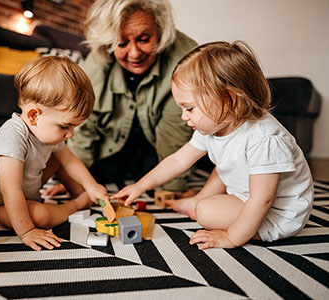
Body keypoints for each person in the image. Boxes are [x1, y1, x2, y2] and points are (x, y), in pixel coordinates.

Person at [112, 41, 314, 250]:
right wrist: (140, 186)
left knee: (205, 211)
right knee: (223, 166)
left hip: (278, 214)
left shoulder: (265, 139)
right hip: (248, 195)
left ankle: (205, 208)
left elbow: (262, 201)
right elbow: (178, 160)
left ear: (227, 100)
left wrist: (231, 237)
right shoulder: (215, 125)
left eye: (189, 108)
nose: (184, 117)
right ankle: (197, 200)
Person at [43, 0, 198, 198]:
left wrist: (174, 189)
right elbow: (83, 127)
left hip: (156, 144)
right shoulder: (95, 66)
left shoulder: (183, 58)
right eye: (122, 43)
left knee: (158, 175)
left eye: (144, 39)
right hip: (113, 144)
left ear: (160, 31)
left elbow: (174, 131)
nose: (134, 53)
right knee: (105, 172)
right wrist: (73, 181)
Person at [0, 56, 109, 251]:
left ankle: (82, 193)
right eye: (65, 126)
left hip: (29, 190)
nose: (70, 134)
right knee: (40, 216)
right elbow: (10, 191)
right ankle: (76, 204)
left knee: (61, 155)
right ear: (34, 115)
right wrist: (27, 231)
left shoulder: (45, 132)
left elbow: (70, 161)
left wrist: (92, 186)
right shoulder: (12, 136)